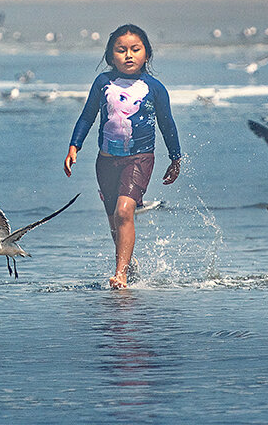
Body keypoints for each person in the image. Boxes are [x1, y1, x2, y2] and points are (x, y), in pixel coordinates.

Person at [65, 24, 182, 289]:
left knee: (124, 211)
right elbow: (87, 116)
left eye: (135, 49)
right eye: (121, 50)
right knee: (114, 221)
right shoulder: (102, 83)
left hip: (139, 159)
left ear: (147, 54)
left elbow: (167, 124)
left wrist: (176, 158)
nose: (128, 55)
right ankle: (129, 262)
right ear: (110, 56)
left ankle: (121, 275)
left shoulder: (155, 88)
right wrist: (74, 146)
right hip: (105, 161)